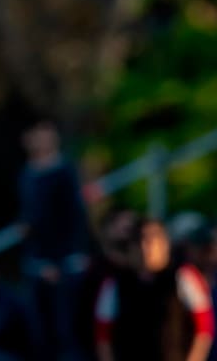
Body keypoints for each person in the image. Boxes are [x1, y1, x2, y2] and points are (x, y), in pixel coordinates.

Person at [17, 119, 91, 361]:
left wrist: (61, 259)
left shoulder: (65, 171)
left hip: (65, 263)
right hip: (39, 264)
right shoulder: (27, 174)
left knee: (68, 331)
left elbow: (73, 217)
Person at [94, 216, 213, 361]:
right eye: (140, 240)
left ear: (165, 243)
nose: (147, 246)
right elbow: (102, 335)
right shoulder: (115, 283)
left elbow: (204, 329)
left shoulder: (184, 276)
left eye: (153, 239)